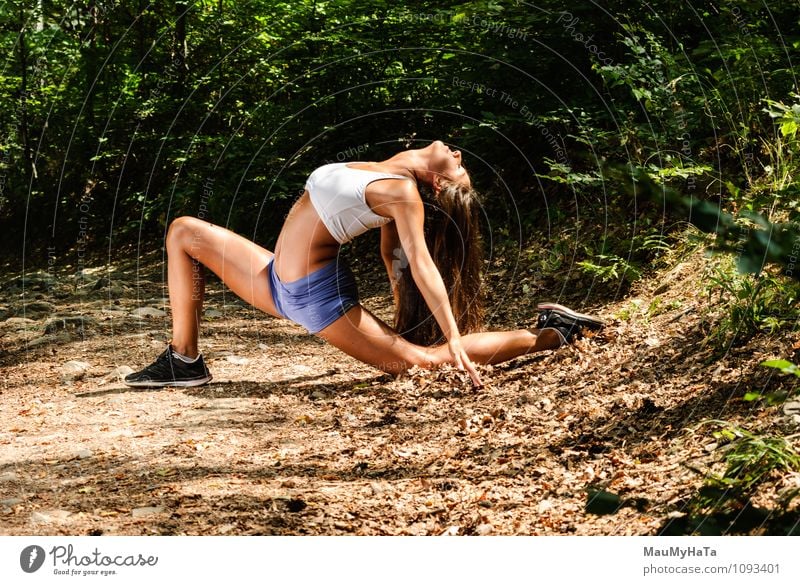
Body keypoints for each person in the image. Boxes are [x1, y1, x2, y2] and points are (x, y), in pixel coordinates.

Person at [124, 140, 604, 389]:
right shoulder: (390, 169)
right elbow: (390, 256)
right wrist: (402, 308)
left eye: (459, 167)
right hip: (273, 279)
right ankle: (184, 361)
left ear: (438, 186)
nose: (457, 155)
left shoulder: (405, 194)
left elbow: (418, 261)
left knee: (426, 361)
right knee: (183, 230)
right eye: (460, 160)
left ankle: (552, 333)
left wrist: (452, 334)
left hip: (316, 297)